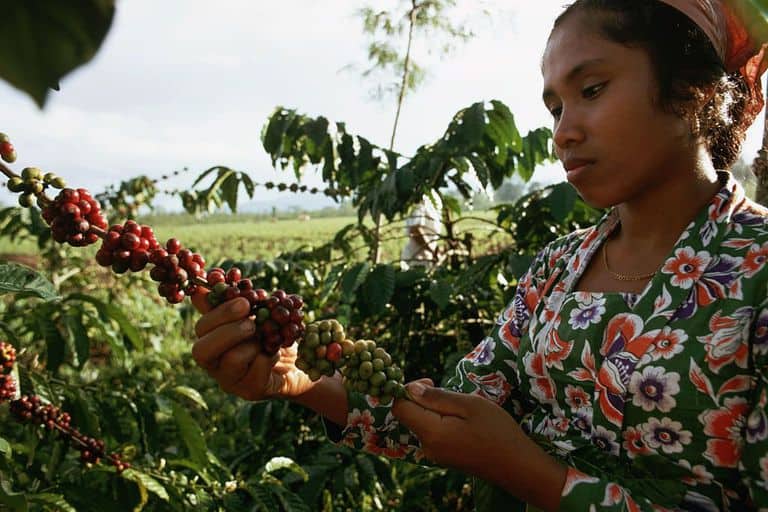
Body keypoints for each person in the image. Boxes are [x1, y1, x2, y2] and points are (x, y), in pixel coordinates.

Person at [190, 1, 768, 509]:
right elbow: (453, 415)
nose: (564, 132)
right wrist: (300, 383)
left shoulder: (757, 270)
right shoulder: (558, 269)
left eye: (591, 90)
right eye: (554, 109)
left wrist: (530, 473)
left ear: (690, 89)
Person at [400, 196, 442, 270]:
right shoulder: (420, 199)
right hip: (416, 260)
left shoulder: (432, 199)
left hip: (425, 259)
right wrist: (432, 251)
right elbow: (415, 230)